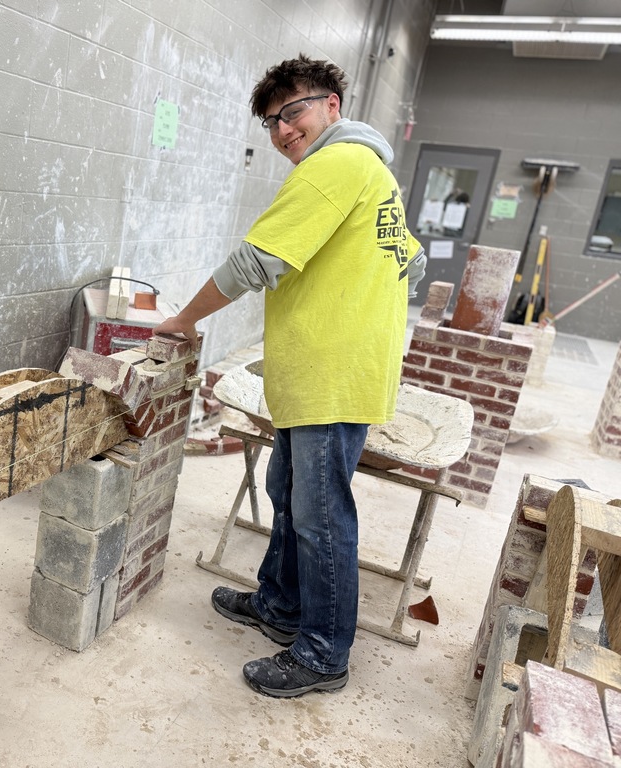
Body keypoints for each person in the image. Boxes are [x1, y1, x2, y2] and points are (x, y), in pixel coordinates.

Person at [154, 55, 426, 699]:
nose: (281, 131)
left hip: (332, 372)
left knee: (321, 515)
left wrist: (184, 321)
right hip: (328, 367)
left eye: (294, 110)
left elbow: (257, 261)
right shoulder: (373, 171)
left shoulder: (337, 165)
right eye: (272, 121)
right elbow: (409, 264)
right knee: (287, 488)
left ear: (333, 105)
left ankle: (324, 652)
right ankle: (279, 605)